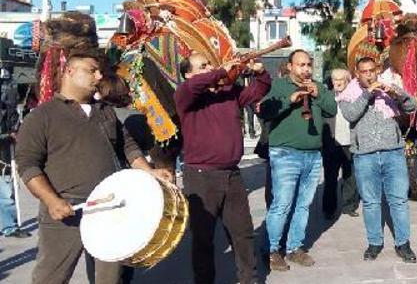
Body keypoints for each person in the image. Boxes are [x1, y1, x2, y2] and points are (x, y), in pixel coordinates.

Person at [15, 48, 172, 284]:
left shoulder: (105, 111)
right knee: (51, 277)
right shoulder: (41, 116)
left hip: (108, 208)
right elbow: (28, 165)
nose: (99, 77)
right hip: (65, 211)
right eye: (92, 71)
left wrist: (149, 171)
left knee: (110, 279)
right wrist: (52, 201)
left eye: (99, 71)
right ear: (69, 71)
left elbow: (127, 147)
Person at [175, 52, 271, 284]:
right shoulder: (185, 94)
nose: (209, 68)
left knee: (243, 233)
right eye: (202, 66)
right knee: (203, 238)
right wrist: (220, 69)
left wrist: (260, 73)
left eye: (210, 63)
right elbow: (197, 84)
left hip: (232, 174)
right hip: (200, 176)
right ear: (188, 74)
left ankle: (249, 279)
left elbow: (257, 92)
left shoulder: (229, 91)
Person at [259, 50, 337, 271]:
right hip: (285, 154)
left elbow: (332, 108)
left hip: (312, 155)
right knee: (282, 204)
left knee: (303, 205)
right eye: (301, 65)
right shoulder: (280, 86)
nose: (306, 69)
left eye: (308, 65)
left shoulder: (318, 87)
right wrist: (289, 100)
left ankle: (294, 247)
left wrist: (317, 95)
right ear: (290, 66)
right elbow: (265, 110)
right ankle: (272, 250)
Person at [339, 58, 417, 262]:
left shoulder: (389, 88)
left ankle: (403, 243)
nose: (369, 75)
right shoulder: (348, 93)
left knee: (399, 201)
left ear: (377, 71)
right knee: (371, 202)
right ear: (357, 73)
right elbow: (351, 115)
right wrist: (368, 93)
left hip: (393, 152)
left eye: (372, 71)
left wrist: (396, 93)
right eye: (364, 71)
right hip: (365, 155)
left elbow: (412, 106)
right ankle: (375, 242)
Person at [322, 68, 360, 220]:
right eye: (334, 79)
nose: (337, 82)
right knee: (330, 179)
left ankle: (349, 206)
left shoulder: (353, 97)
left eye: (340, 79)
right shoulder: (327, 97)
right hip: (332, 144)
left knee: (350, 177)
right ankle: (329, 209)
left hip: (350, 143)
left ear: (347, 81)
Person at [0, 69, 30, 238]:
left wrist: (13, 130)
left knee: (4, 186)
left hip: (4, 146)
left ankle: (9, 226)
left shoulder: (7, 81)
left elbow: (11, 113)